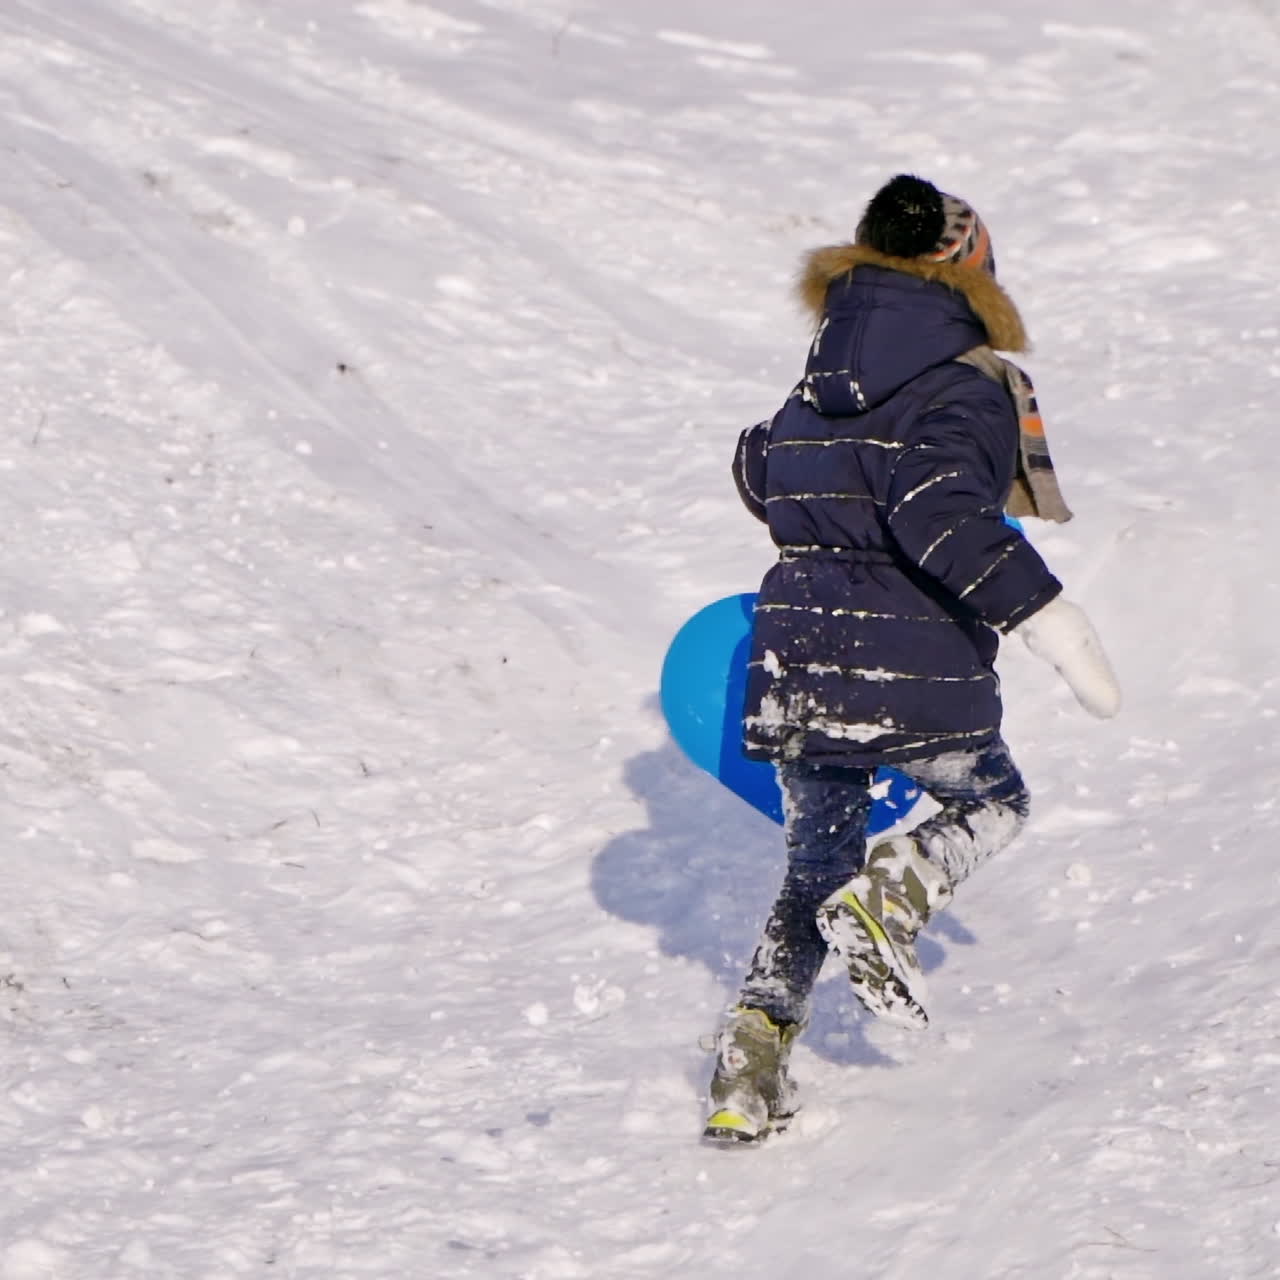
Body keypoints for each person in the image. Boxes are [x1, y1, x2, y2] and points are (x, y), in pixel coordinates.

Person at [704, 174, 1121, 1143]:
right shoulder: (963, 385)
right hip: (908, 662)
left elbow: (761, 470)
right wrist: (1048, 616)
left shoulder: (817, 379)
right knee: (993, 801)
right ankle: (894, 895)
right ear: (967, 273)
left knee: (813, 873)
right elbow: (936, 512)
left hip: (800, 667)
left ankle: (747, 1063)